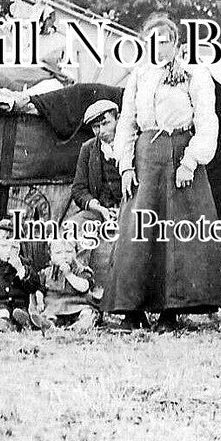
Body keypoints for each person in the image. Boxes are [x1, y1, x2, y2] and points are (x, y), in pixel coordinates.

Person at [104, 12, 221, 331]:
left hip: (179, 158)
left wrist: (190, 161)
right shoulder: (138, 75)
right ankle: (132, 311)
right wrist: (125, 166)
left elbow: (207, 121)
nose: (157, 47)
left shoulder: (195, 73)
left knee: (176, 235)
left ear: (176, 43)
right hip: (146, 158)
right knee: (139, 230)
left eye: (163, 41)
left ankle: (170, 313)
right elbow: (127, 122)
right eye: (150, 41)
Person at [67, 99, 123, 298]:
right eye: (95, 126)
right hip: (99, 211)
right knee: (72, 227)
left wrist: (124, 208)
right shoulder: (88, 149)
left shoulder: (132, 145)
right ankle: (80, 285)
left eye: (106, 123)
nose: (101, 130)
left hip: (131, 210)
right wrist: (98, 207)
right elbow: (79, 189)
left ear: (118, 119)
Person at [0, 219, 41, 331]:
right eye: (4, 246)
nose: (9, 251)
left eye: (14, 247)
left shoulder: (25, 263)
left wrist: (20, 269)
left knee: (20, 311)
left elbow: (34, 286)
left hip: (19, 303)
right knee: (2, 311)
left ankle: (23, 321)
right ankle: (4, 323)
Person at [35, 240, 97, 331]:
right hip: (56, 306)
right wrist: (40, 301)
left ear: (75, 253)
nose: (64, 256)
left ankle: (79, 326)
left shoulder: (80, 270)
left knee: (87, 313)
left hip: (78, 304)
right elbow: (40, 289)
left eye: (69, 252)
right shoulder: (47, 272)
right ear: (51, 256)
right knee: (49, 315)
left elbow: (84, 287)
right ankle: (49, 324)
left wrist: (69, 275)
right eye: (58, 253)